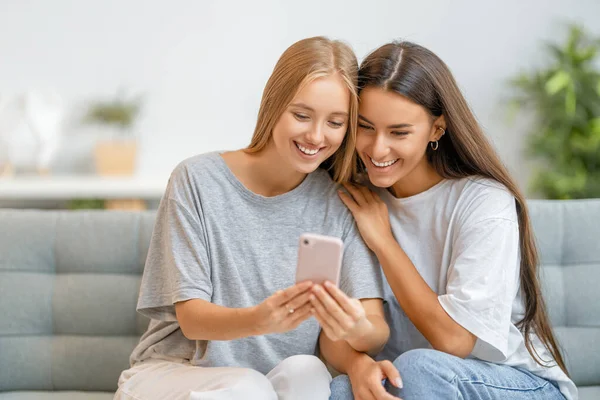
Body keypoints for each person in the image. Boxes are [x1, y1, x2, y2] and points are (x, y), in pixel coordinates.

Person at [114, 36, 389, 400]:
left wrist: (354, 329)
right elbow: (192, 319)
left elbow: (376, 329)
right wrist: (261, 319)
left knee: (308, 370)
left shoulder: (340, 201)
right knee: (247, 387)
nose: (316, 136)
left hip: (266, 383)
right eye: (301, 115)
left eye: (335, 122)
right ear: (274, 105)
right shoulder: (197, 180)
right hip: (175, 373)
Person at [328, 41, 577, 400]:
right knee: (341, 388)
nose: (377, 149)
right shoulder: (354, 198)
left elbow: (454, 340)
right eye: (365, 127)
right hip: (417, 385)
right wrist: (356, 365)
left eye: (399, 132)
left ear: (437, 129)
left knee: (419, 368)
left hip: (516, 383)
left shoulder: (484, 202)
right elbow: (327, 331)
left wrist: (383, 242)